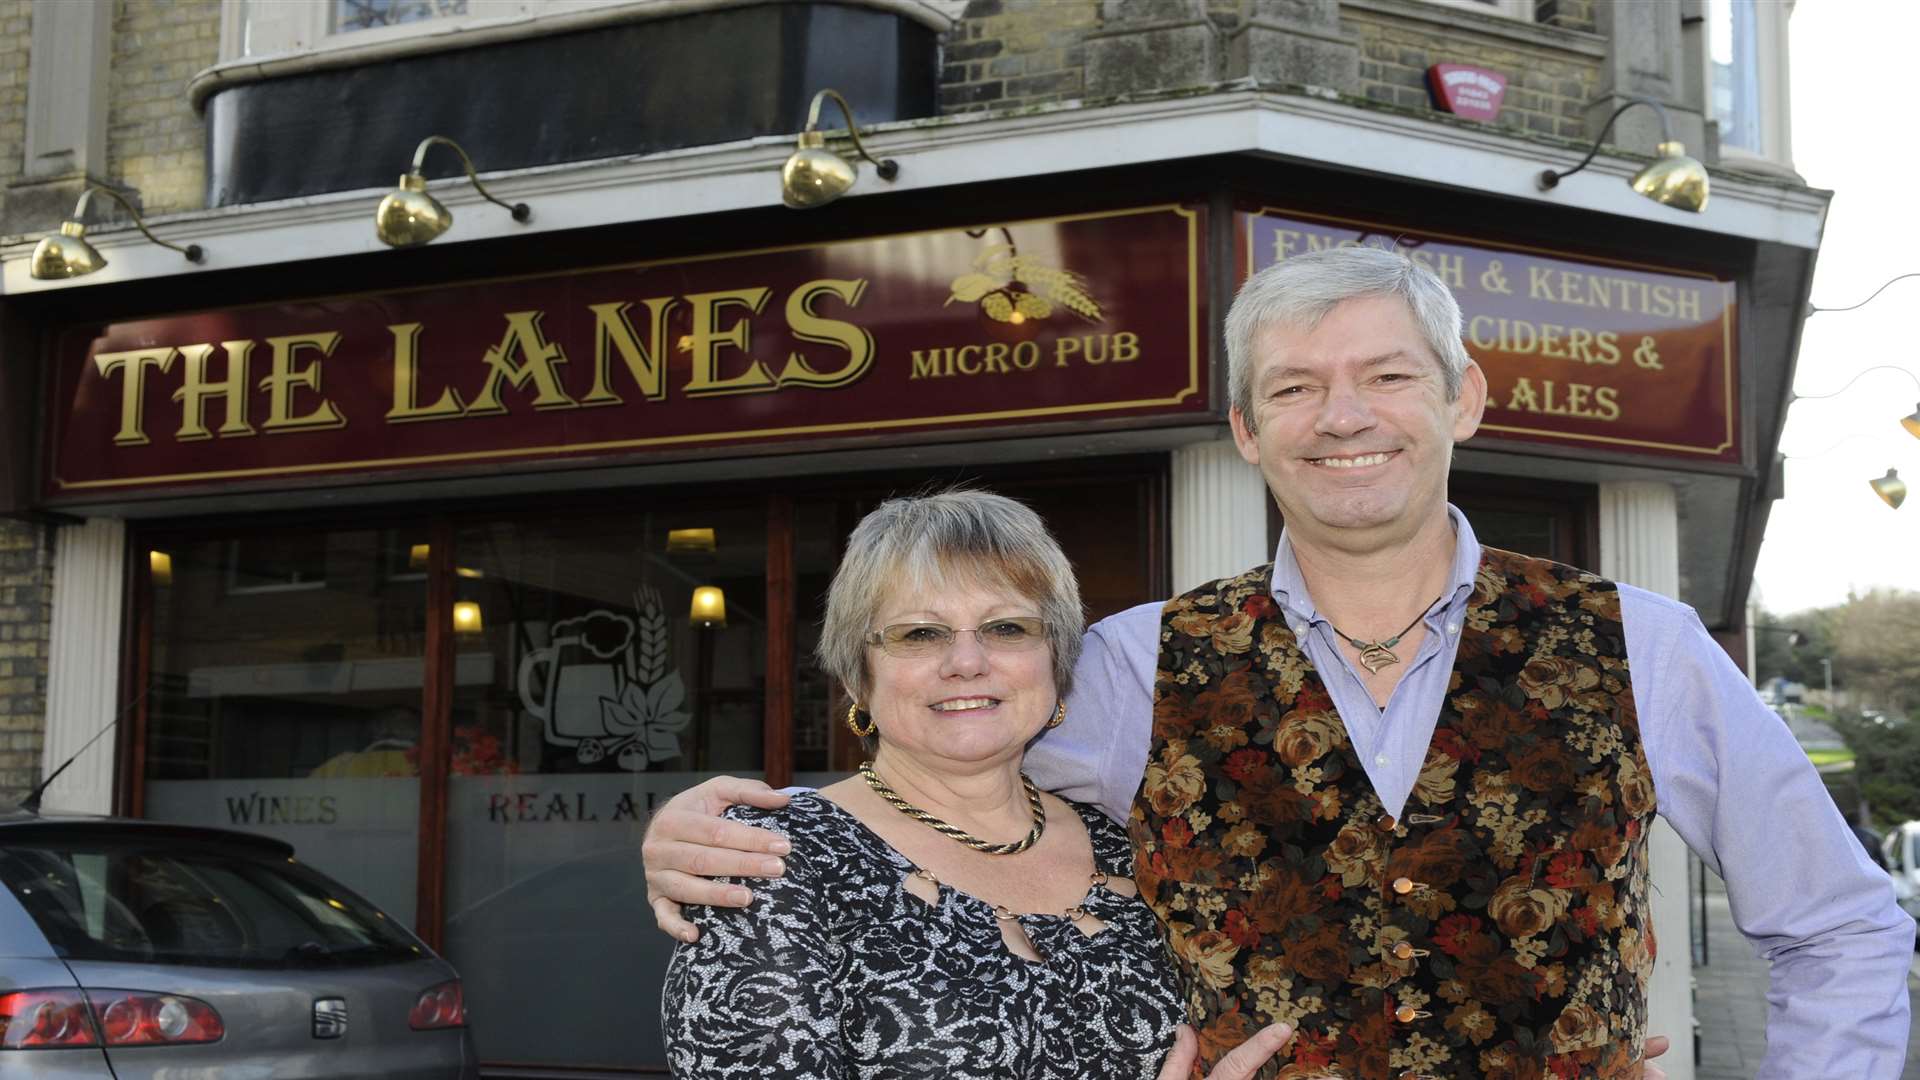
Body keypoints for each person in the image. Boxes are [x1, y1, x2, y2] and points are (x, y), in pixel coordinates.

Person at [646, 246, 1909, 1078]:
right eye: (1296, 388)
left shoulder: (1646, 644)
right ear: (1248, 430)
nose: (1343, 416)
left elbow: (1841, 926)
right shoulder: (1137, 664)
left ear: (1464, 398)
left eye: (1385, 376)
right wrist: (734, 830)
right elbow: (950, 783)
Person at [660, 488, 1291, 1079]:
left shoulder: (1131, 841)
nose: (966, 663)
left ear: (1058, 664)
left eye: (1007, 628)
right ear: (857, 676)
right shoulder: (770, 862)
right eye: (919, 634)